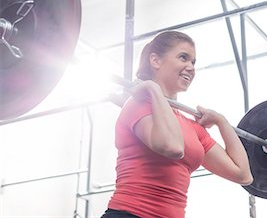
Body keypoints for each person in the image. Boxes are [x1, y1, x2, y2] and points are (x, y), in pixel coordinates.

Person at [101, 30, 253, 218]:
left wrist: (222, 122)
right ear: (155, 60)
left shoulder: (192, 126)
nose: (190, 67)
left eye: (193, 62)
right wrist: (153, 89)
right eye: (183, 58)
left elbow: (243, 175)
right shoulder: (138, 105)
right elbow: (172, 147)